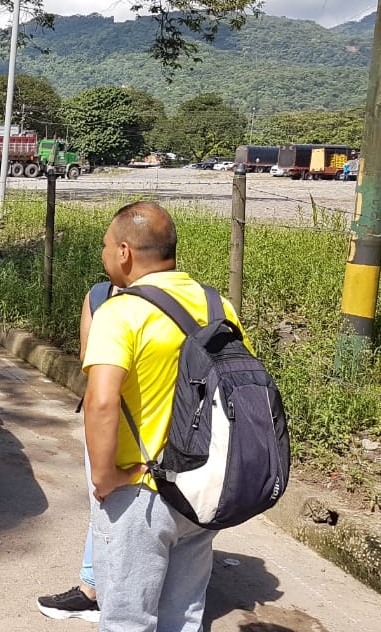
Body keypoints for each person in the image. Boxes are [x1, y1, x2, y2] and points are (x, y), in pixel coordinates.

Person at [80, 201, 249, 632]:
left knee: (127, 619)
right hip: (199, 488)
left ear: (124, 252)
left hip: (140, 490)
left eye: (104, 246)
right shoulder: (218, 306)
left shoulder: (121, 312)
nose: (103, 256)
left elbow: (101, 401)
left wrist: (105, 477)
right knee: (183, 616)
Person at [36, 281, 115, 622]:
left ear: (123, 252)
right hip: (172, 419)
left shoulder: (100, 295)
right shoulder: (196, 298)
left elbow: (89, 359)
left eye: (107, 245)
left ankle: (94, 590)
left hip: (113, 413)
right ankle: (97, 585)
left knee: (104, 498)